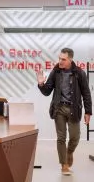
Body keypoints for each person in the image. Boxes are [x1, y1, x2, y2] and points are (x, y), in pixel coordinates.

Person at [37, 47, 92, 175]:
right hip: (59, 109)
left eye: (63, 59)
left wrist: (88, 112)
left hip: (74, 109)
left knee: (75, 137)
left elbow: (86, 93)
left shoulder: (79, 73)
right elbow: (47, 91)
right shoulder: (55, 72)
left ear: (70, 59)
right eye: (59, 58)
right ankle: (64, 165)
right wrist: (41, 84)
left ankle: (69, 152)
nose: (60, 61)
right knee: (61, 138)